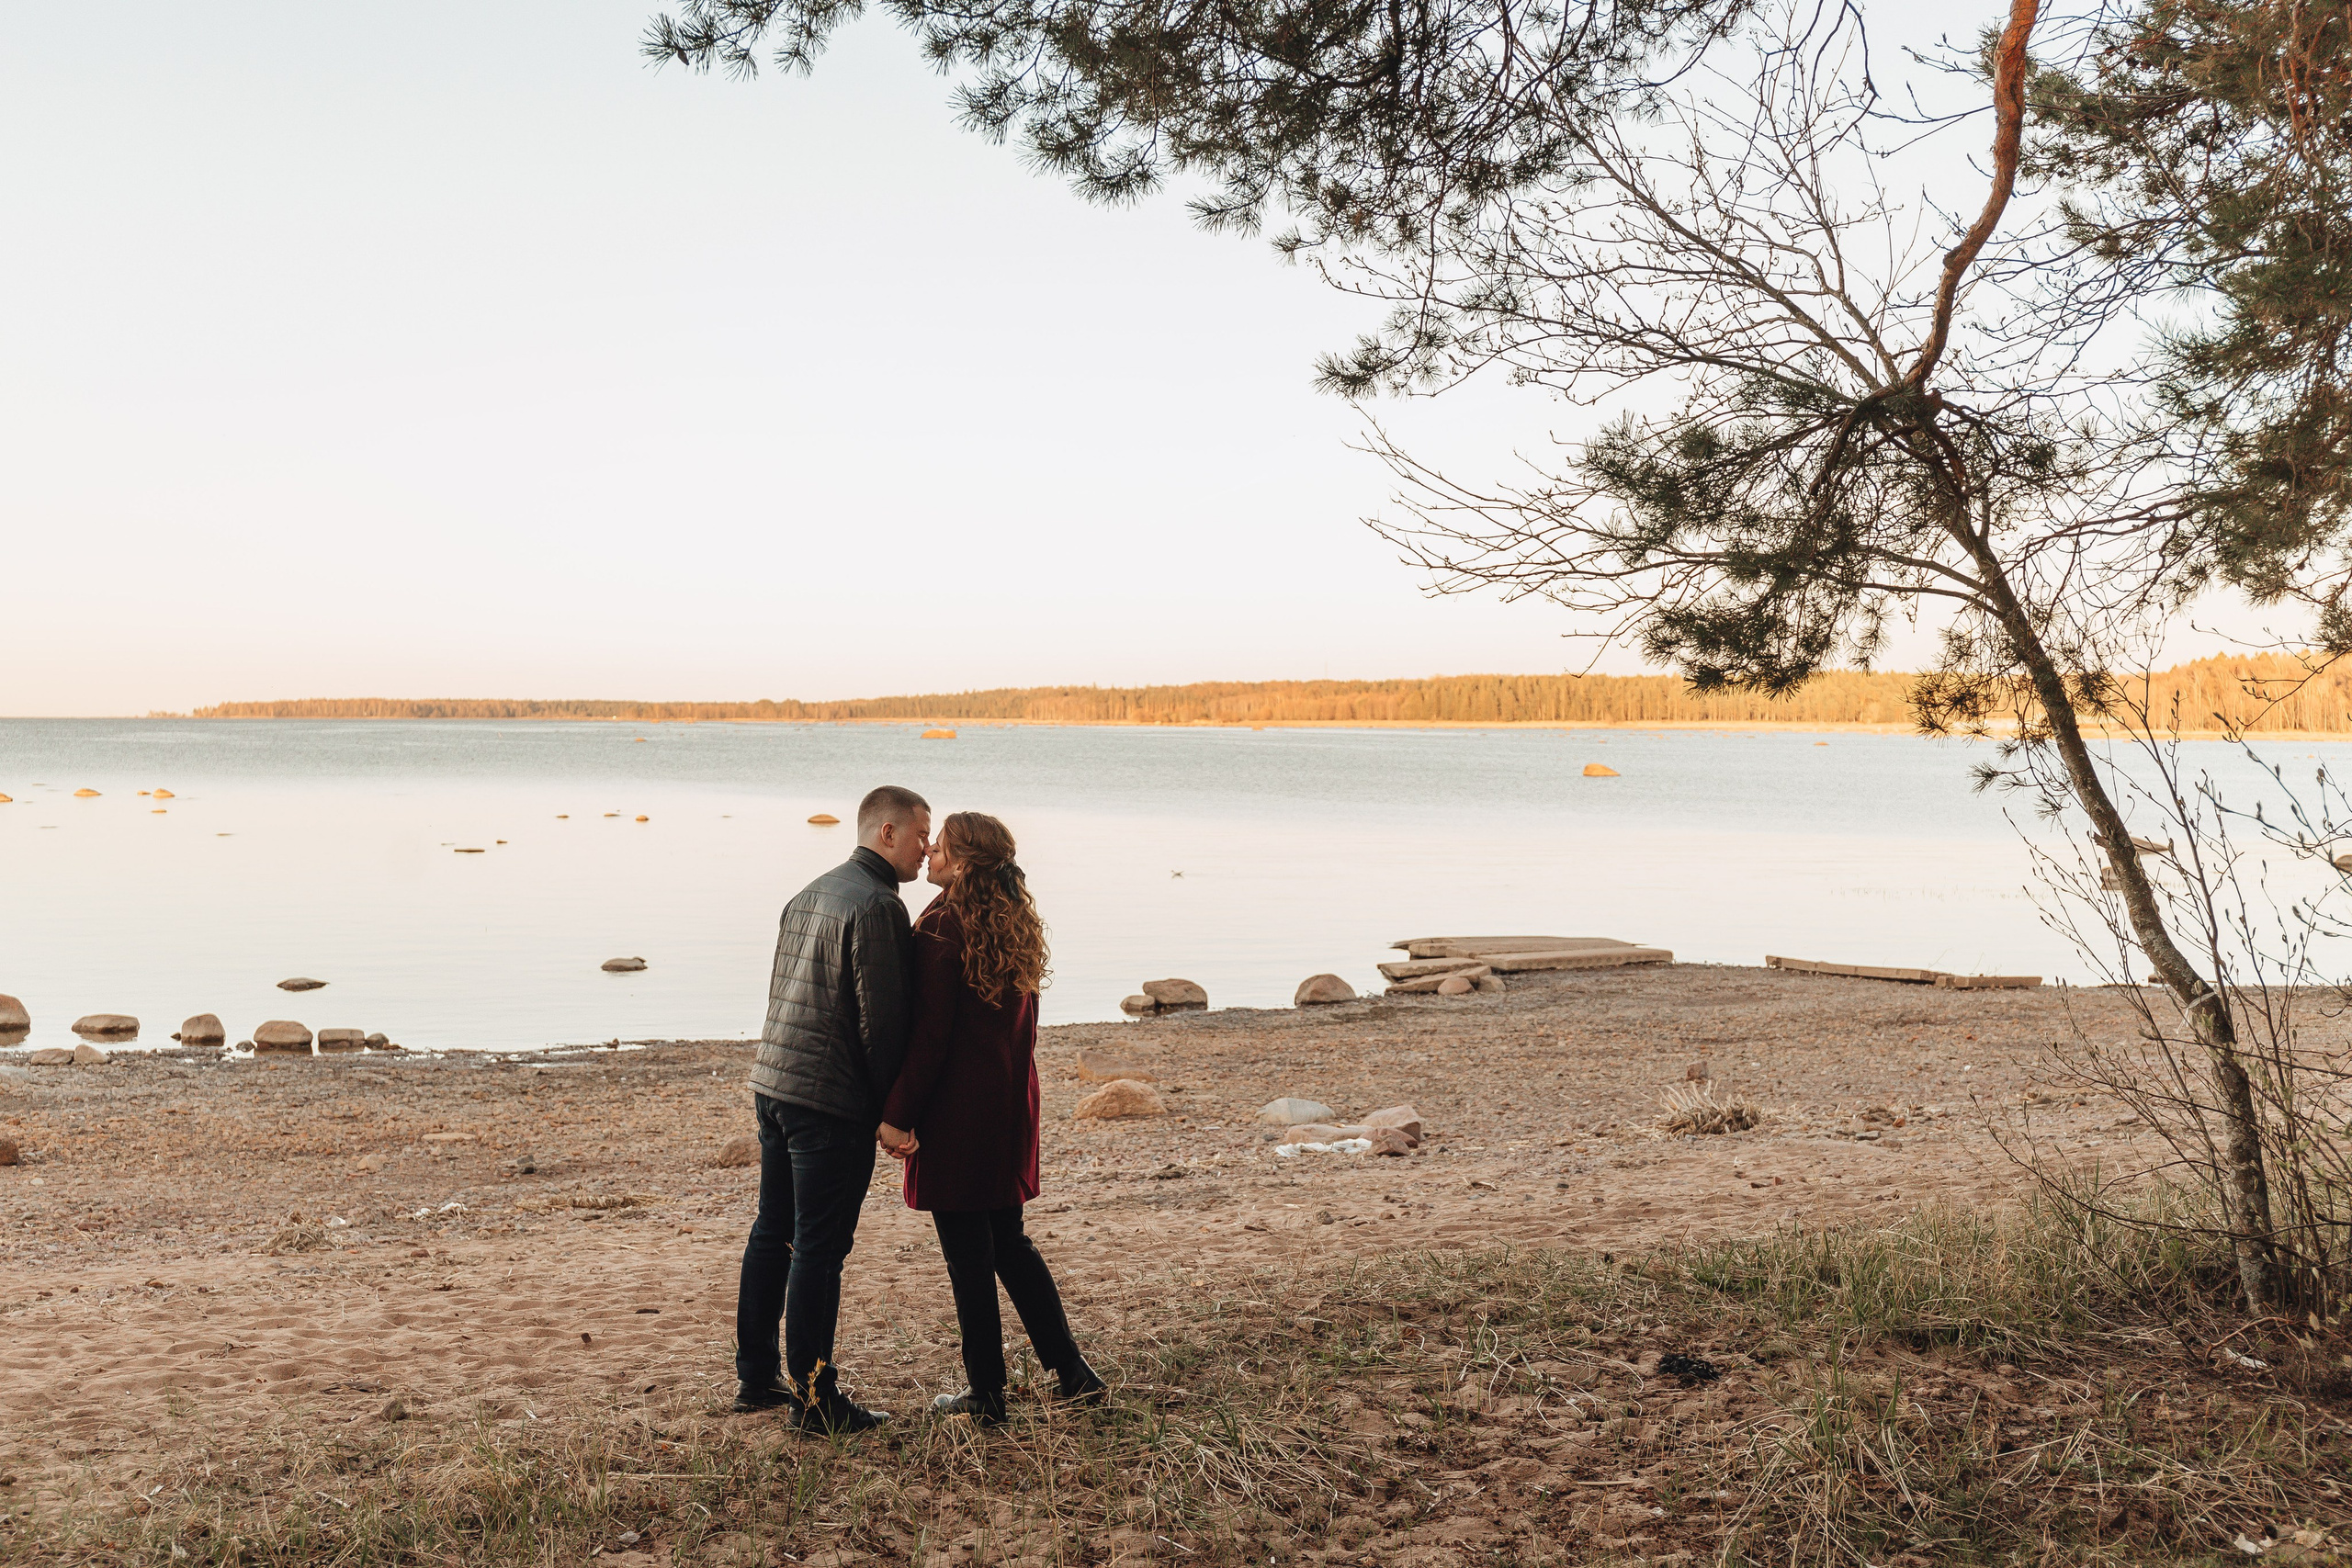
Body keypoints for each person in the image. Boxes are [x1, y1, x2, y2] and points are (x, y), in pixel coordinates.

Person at [876, 810, 1105, 1426]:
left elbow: (930, 1037)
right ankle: (1073, 1371)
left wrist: (897, 1115)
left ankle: (986, 1392)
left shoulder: (944, 925)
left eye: (942, 847)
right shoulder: (1012, 919)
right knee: (1009, 1243)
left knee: (970, 1257)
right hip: (1007, 1104)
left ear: (967, 861)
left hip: (958, 1114)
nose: (929, 854)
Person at [733, 784, 930, 1433]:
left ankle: (756, 1375)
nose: (927, 847)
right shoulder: (878, 905)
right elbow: (882, 1023)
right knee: (818, 1248)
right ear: (887, 832)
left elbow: (783, 992)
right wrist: (892, 1111)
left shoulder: (808, 891)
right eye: (921, 833)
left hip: (775, 1085)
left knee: (774, 1229)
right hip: (827, 1102)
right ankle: (816, 1401)